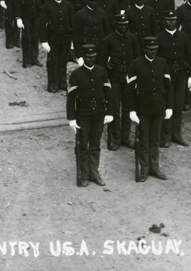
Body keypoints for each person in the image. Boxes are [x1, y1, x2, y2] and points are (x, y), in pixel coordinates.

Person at [66, 43, 113, 187]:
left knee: (95, 145)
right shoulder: (76, 74)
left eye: (93, 57)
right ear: (83, 57)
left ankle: (94, 173)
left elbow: (109, 94)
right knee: (82, 146)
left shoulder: (102, 72)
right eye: (88, 57)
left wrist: (109, 112)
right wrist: (72, 119)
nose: (91, 59)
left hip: (99, 114)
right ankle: (84, 174)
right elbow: (71, 99)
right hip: (83, 115)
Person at [126, 37, 173, 182]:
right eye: (150, 49)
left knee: (155, 139)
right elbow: (129, 90)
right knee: (144, 140)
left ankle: (155, 168)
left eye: (155, 49)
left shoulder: (162, 63)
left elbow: (168, 86)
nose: (153, 52)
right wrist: (132, 110)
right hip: (143, 107)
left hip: (158, 106)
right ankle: (144, 169)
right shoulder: (136, 64)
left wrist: (169, 107)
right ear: (144, 49)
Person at [99, 15, 140, 150]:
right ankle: (115, 138)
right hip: (115, 78)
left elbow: (137, 59)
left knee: (128, 108)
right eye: (121, 24)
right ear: (115, 24)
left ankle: (125, 137)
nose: (123, 27)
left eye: (126, 24)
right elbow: (102, 62)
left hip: (128, 78)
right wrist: (105, 81)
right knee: (115, 108)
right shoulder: (108, 40)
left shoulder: (132, 38)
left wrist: (136, 77)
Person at [156, 10, 191, 147]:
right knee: (168, 106)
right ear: (164, 21)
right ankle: (165, 137)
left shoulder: (183, 36)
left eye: (173, 20)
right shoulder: (159, 38)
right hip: (166, 78)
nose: (171, 22)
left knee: (178, 106)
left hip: (181, 77)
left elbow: (189, 56)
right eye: (168, 20)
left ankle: (177, 135)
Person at [39, 0, 76, 93]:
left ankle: (62, 83)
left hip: (65, 38)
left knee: (63, 62)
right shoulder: (48, 6)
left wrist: (73, 39)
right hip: (53, 39)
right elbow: (42, 25)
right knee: (53, 62)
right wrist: (44, 41)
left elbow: (73, 23)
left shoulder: (68, 5)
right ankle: (53, 84)